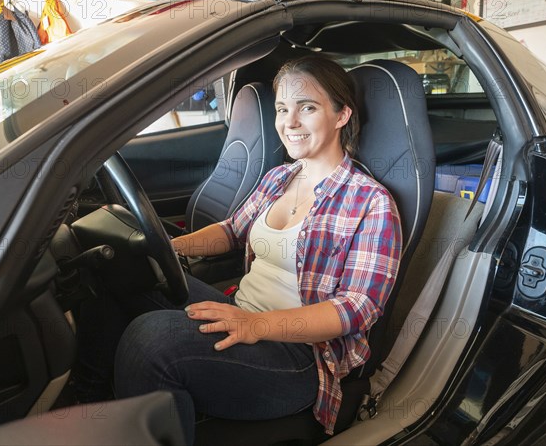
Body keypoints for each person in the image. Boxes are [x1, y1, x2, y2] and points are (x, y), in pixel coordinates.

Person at [113, 56, 402, 444]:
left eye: (308, 107)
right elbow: (232, 231)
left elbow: (357, 307)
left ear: (341, 115)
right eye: (283, 109)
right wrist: (167, 247)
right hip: (242, 312)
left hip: (299, 357)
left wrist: (256, 326)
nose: (290, 122)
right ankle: (93, 409)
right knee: (124, 271)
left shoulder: (371, 202)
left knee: (151, 342)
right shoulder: (280, 176)